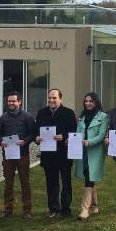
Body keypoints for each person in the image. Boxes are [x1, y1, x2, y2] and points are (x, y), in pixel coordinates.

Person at [35, 88, 77, 217]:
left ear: (60, 99)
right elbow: (36, 131)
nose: (51, 100)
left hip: (64, 154)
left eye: (54, 98)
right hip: (48, 155)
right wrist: (36, 138)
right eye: (50, 98)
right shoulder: (42, 113)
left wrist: (63, 136)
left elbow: (74, 131)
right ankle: (54, 208)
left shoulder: (69, 113)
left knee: (66, 183)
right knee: (51, 183)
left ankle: (66, 209)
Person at [0, 91, 35, 220]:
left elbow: (32, 134)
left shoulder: (27, 117)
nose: (11, 103)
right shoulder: (3, 118)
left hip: (23, 155)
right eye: (9, 101)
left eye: (13, 101)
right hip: (8, 156)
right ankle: (8, 209)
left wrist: (25, 141)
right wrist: (1, 141)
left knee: (25, 183)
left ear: (20, 102)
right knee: (8, 183)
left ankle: (27, 210)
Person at [73, 92, 109, 220]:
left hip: (95, 153)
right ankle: (94, 206)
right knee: (88, 177)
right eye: (86, 101)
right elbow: (77, 133)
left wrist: (90, 142)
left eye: (91, 101)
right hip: (82, 152)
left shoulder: (103, 117)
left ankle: (84, 209)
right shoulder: (81, 117)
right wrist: (71, 141)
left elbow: (101, 135)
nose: (88, 103)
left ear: (96, 102)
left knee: (89, 177)